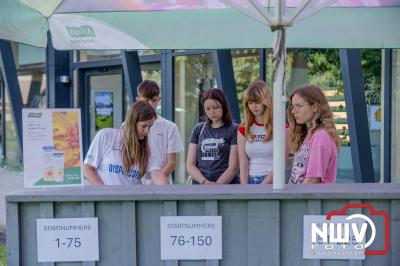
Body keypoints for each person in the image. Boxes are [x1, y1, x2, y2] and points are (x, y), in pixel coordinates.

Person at [84, 101, 156, 185]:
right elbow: (87, 168)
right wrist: (105, 193)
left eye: (150, 126)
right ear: (132, 122)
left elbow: (155, 174)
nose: (147, 131)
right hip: (106, 197)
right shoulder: (106, 136)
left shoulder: (145, 148)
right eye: (144, 126)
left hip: (131, 197)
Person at [238, 80, 289, 184]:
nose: (253, 106)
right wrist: (244, 188)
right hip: (250, 181)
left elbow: (281, 162)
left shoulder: (281, 128)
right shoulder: (243, 128)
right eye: (250, 103)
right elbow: (243, 163)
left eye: (257, 102)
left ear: (266, 101)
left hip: (273, 183)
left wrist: (262, 186)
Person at [287, 85, 340, 184]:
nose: (293, 111)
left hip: (306, 198)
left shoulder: (321, 136)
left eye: (298, 106)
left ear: (315, 107)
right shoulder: (309, 134)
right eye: (292, 106)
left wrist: (295, 198)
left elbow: (313, 180)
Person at [186, 88, 239, 184]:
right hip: (200, 186)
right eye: (208, 109)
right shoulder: (198, 129)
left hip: (227, 187)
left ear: (224, 106)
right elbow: (190, 164)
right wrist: (205, 182)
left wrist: (216, 186)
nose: (212, 112)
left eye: (215, 108)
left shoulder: (234, 129)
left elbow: (233, 168)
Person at [136, 80, 184, 185]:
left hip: (161, 185)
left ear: (159, 99)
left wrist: (155, 182)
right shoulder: (127, 126)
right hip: (134, 184)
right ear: (138, 100)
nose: (149, 104)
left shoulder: (170, 127)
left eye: (153, 100)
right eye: (145, 101)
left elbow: (171, 163)